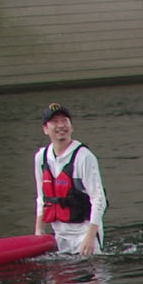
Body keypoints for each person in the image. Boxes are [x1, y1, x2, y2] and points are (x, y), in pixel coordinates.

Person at [33, 104, 107, 257]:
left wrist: (90, 237)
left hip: (84, 233)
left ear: (71, 126)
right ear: (45, 129)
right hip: (60, 236)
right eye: (54, 121)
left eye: (65, 121)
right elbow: (42, 197)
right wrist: (39, 232)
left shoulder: (84, 157)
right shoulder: (41, 157)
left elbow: (99, 199)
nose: (61, 125)